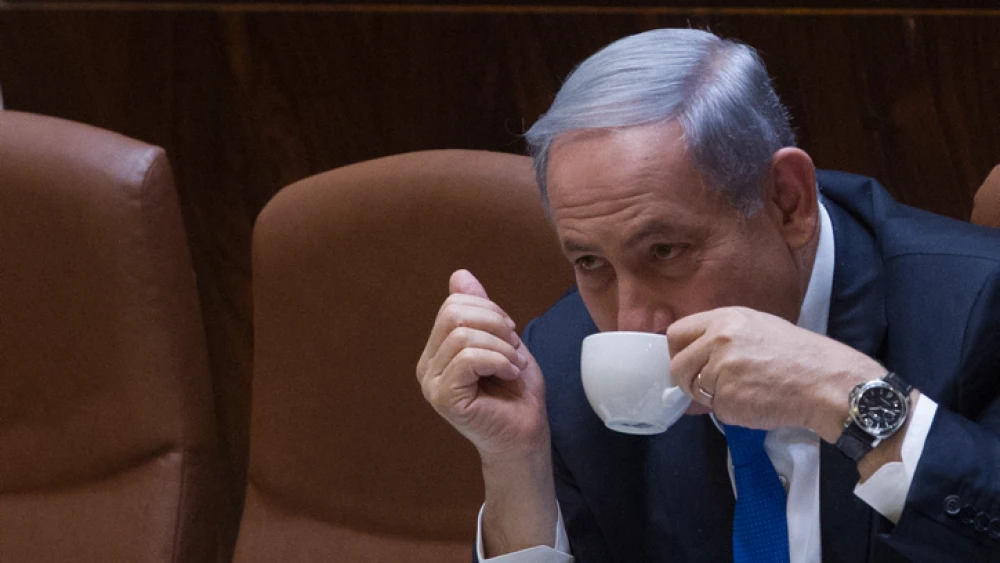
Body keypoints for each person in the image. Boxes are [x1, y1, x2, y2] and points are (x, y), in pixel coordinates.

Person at [415, 28, 1000, 563]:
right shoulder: (566, 365)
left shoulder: (976, 308)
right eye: (590, 262)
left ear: (785, 201)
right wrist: (516, 468)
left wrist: (848, 399)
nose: (632, 320)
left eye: (665, 251)